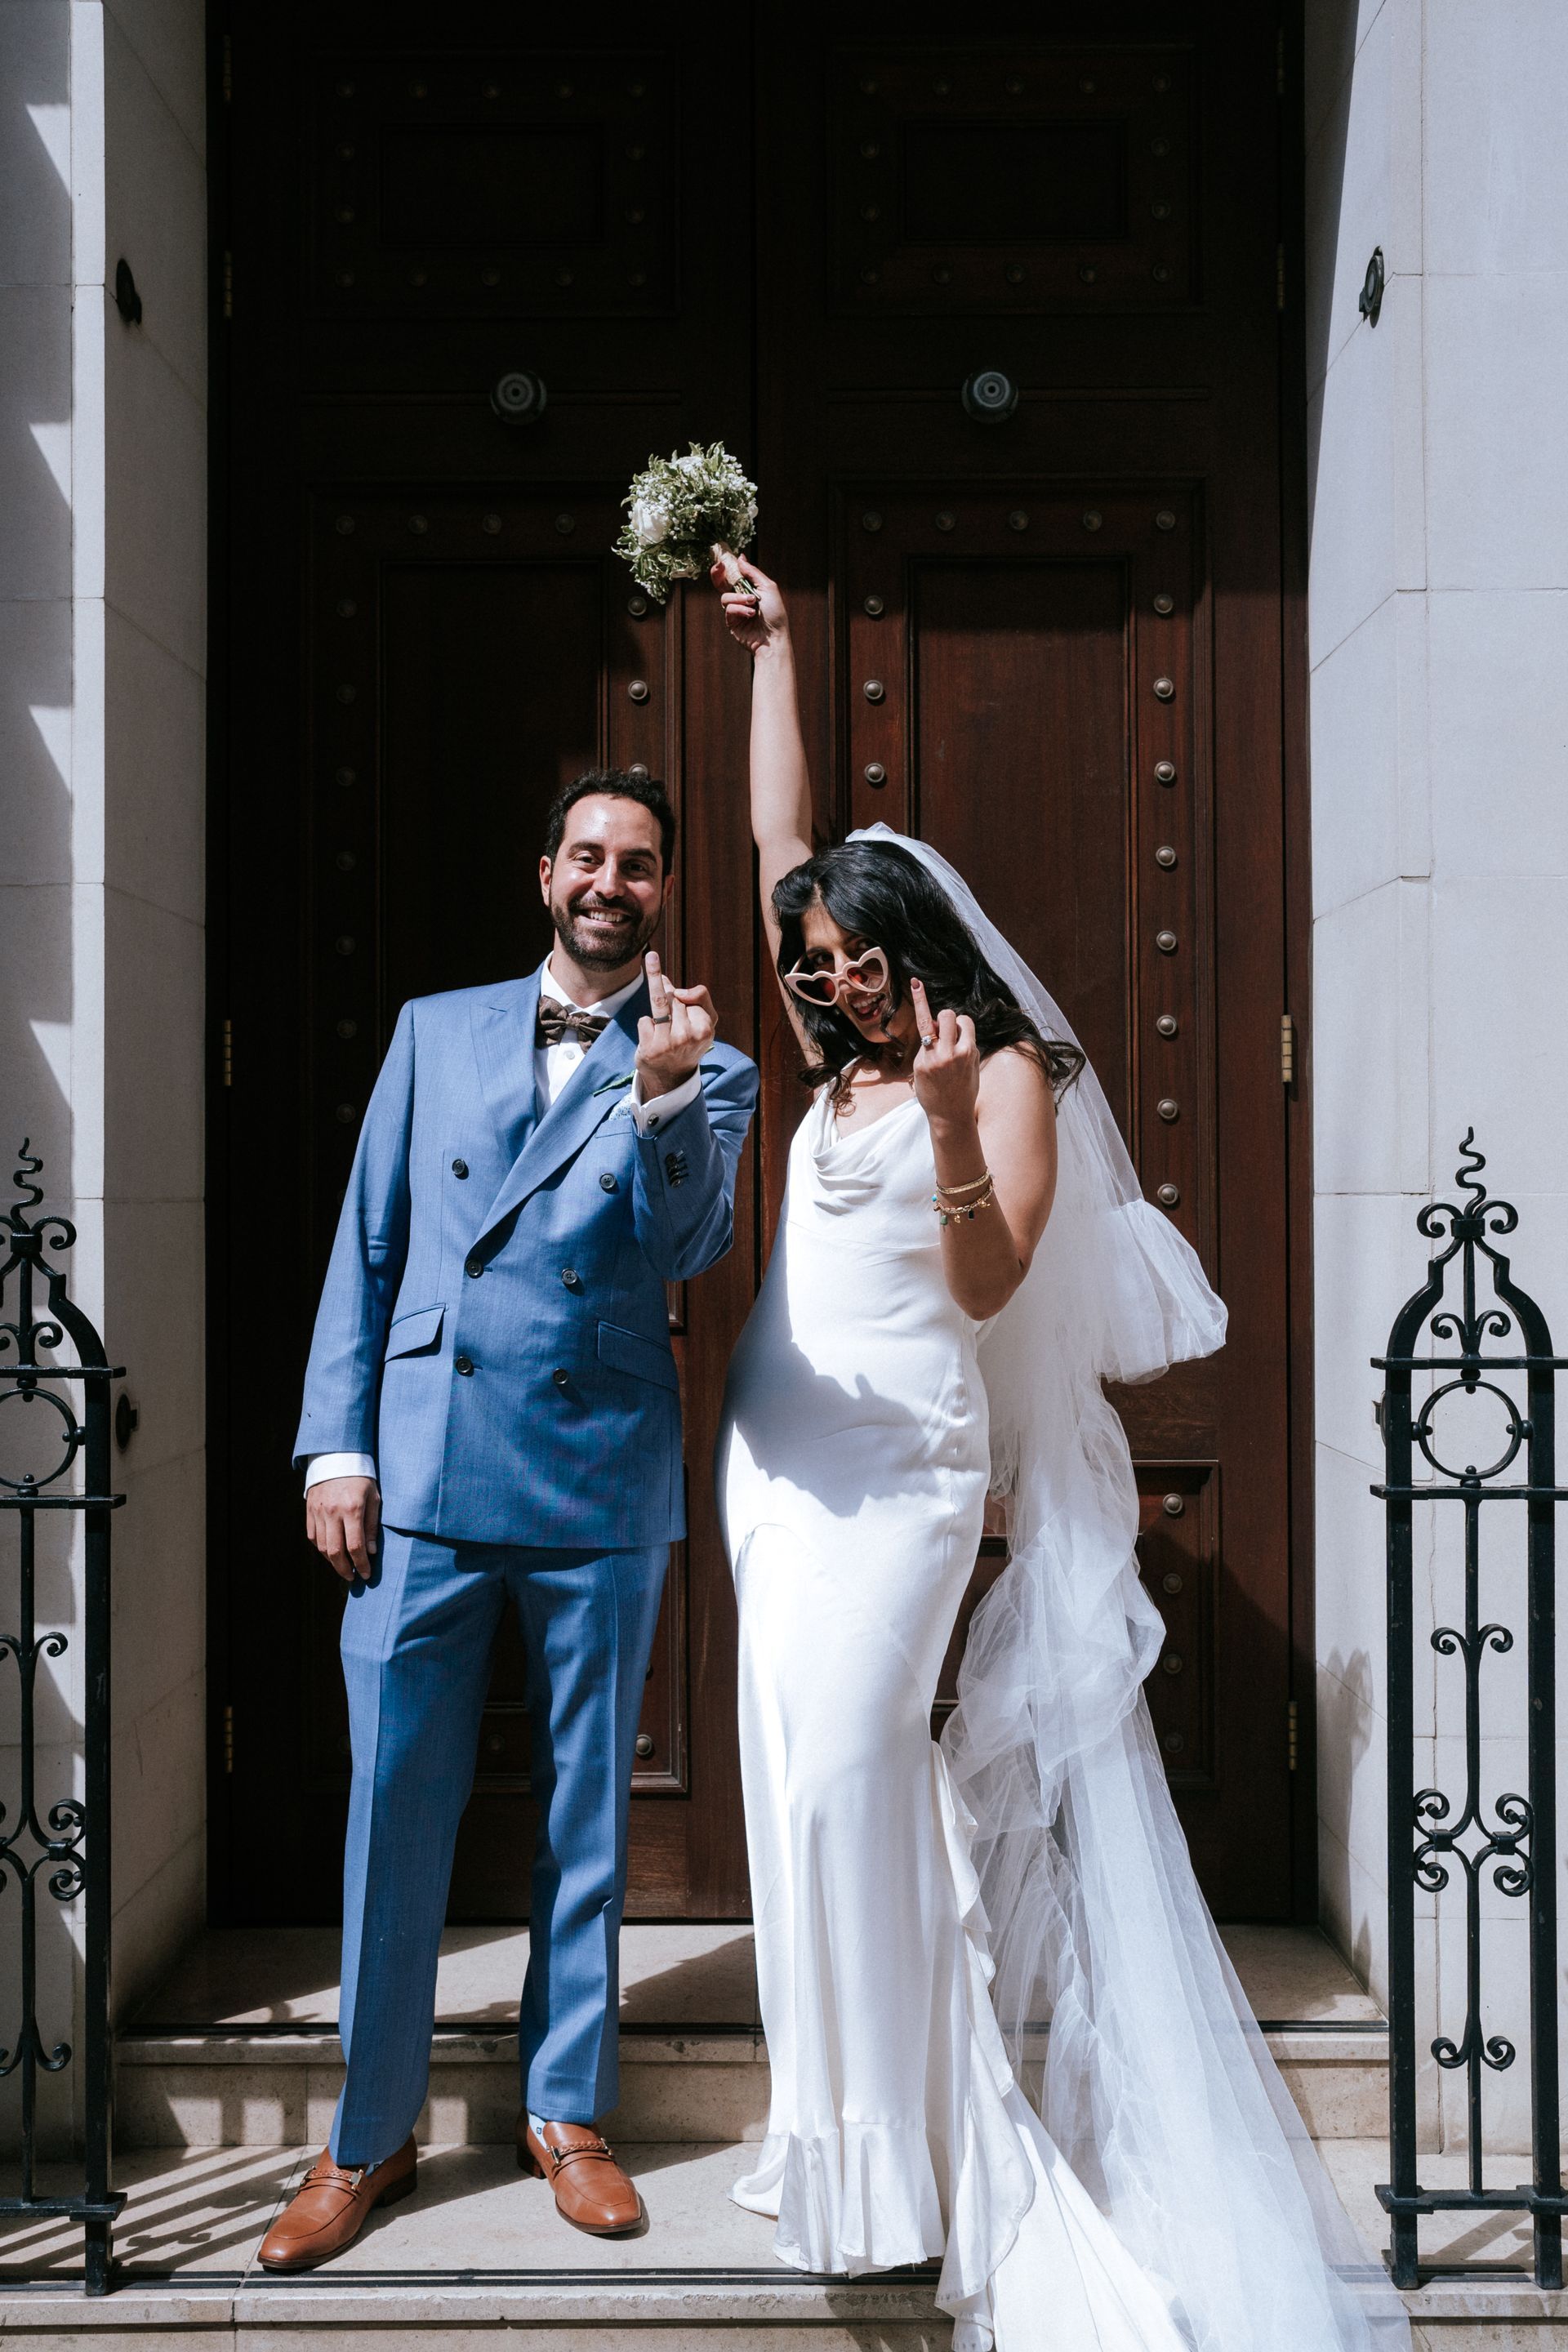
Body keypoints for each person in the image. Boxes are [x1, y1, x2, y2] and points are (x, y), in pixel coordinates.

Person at [711, 558, 1410, 2351]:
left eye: (869, 966)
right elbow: (780, 833)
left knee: (853, 1778)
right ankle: (827, 2131)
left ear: (924, 959)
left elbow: (991, 1272)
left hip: (906, 1481)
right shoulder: (829, 1043)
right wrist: (779, 648)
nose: (844, 990)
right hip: (774, 1474)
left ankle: (910, 2154)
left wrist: (946, 1117)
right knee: (791, 1780)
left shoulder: (993, 1069)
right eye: (825, 966)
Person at [258, 770, 759, 2272]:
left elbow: (690, 1244)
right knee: (391, 1809)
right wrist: (335, 1448)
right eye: (591, 857)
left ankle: (569, 2117)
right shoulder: (433, 1026)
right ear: (547, 874)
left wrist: (668, 1091)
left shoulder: (704, 1064)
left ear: (665, 892)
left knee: (583, 1813)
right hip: (420, 1475)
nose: (614, 883)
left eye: (643, 865)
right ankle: (368, 2136)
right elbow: (370, 1244)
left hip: (598, 1471)